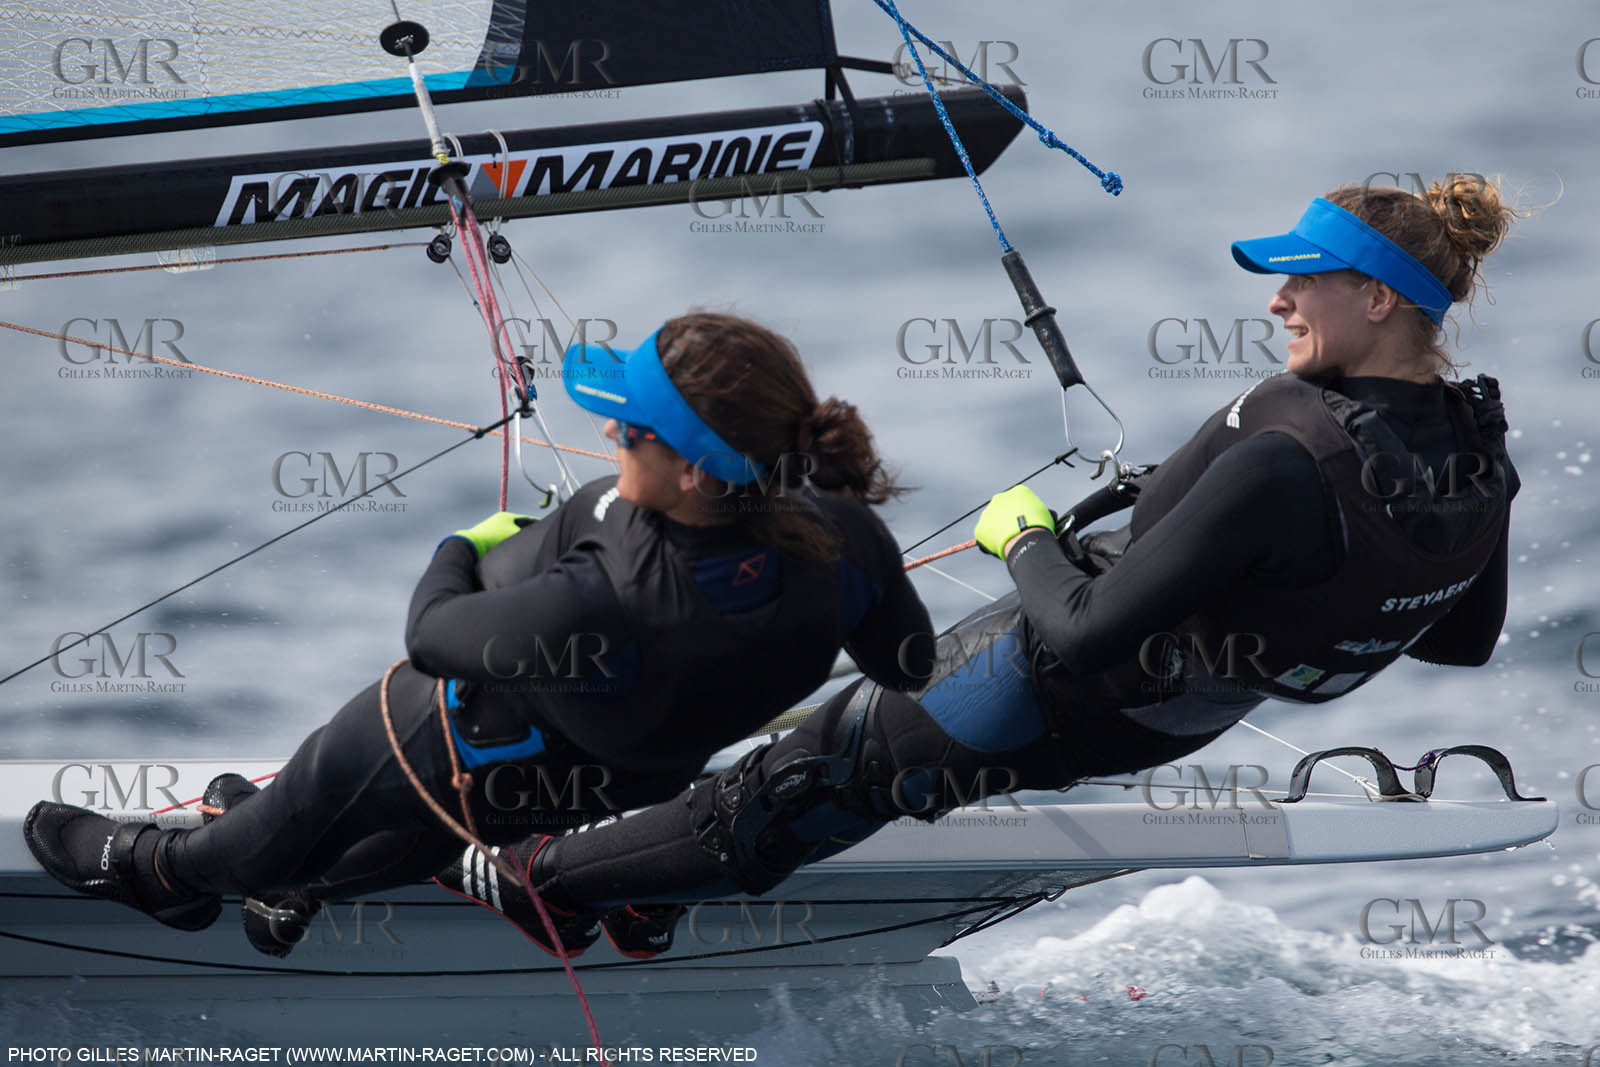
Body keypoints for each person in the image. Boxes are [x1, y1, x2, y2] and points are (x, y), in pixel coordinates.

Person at [470, 175, 1522, 957]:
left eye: (1303, 279)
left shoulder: (1286, 463)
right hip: (1158, 725)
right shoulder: (1472, 454)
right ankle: (654, 894)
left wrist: (1020, 534)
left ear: (1379, 298)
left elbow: (1079, 627)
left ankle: (539, 881)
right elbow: (1463, 642)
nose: (1276, 301)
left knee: (799, 778)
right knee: (853, 777)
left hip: (1045, 681)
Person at [23, 311, 934, 959]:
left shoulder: (608, 592)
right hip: (597, 780)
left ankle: (155, 872)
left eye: (633, 426)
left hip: (438, 734)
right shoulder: (841, 535)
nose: (611, 428)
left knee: (291, 818)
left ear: (695, 471)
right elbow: (909, 661)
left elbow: (430, 634)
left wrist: (460, 543)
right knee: (425, 840)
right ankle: (299, 885)